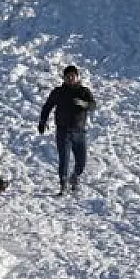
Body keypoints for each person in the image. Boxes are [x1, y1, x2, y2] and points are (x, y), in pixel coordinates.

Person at [38, 65, 95, 194]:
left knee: (81, 161)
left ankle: (75, 176)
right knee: (64, 159)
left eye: (72, 76)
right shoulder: (58, 92)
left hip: (79, 132)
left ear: (77, 77)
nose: (70, 78)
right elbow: (47, 106)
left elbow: (93, 105)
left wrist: (83, 103)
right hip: (63, 131)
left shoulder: (84, 91)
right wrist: (42, 121)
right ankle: (63, 184)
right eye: (67, 76)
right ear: (64, 78)